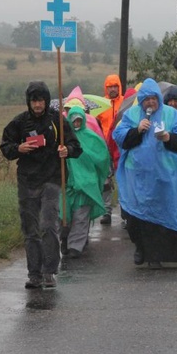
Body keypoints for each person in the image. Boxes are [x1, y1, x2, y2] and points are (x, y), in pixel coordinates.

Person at [0, 81, 82, 289]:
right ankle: (34, 273)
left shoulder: (58, 121)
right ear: (29, 101)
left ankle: (49, 271)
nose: (37, 105)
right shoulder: (18, 123)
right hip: (27, 180)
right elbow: (5, 147)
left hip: (51, 179)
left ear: (46, 101)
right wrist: (19, 148)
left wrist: (67, 151)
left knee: (47, 225)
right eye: (34, 100)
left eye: (41, 100)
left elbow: (75, 146)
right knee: (31, 228)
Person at [113, 78, 177, 269]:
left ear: (158, 99)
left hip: (165, 177)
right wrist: (137, 131)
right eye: (146, 99)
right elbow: (120, 138)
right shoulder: (131, 115)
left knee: (160, 216)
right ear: (141, 100)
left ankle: (156, 255)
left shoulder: (172, 115)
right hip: (137, 178)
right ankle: (141, 249)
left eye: (153, 99)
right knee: (136, 216)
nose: (150, 103)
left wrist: (168, 137)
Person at [60, 105, 111, 258]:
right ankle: (65, 240)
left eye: (78, 121)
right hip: (68, 184)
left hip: (86, 184)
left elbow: (102, 157)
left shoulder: (91, 137)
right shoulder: (64, 139)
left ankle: (76, 246)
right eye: (73, 121)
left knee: (81, 217)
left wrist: (90, 167)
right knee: (65, 215)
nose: (76, 124)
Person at [97, 74, 124, 226]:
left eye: (115, 86)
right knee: (106, 181)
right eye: (110, 86)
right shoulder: (101, 104)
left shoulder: (126, 102)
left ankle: (125, 212)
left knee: (122, 179)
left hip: (120, 147)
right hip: (104, 147)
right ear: (105, 88)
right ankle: (106, 211)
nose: (113, 89)